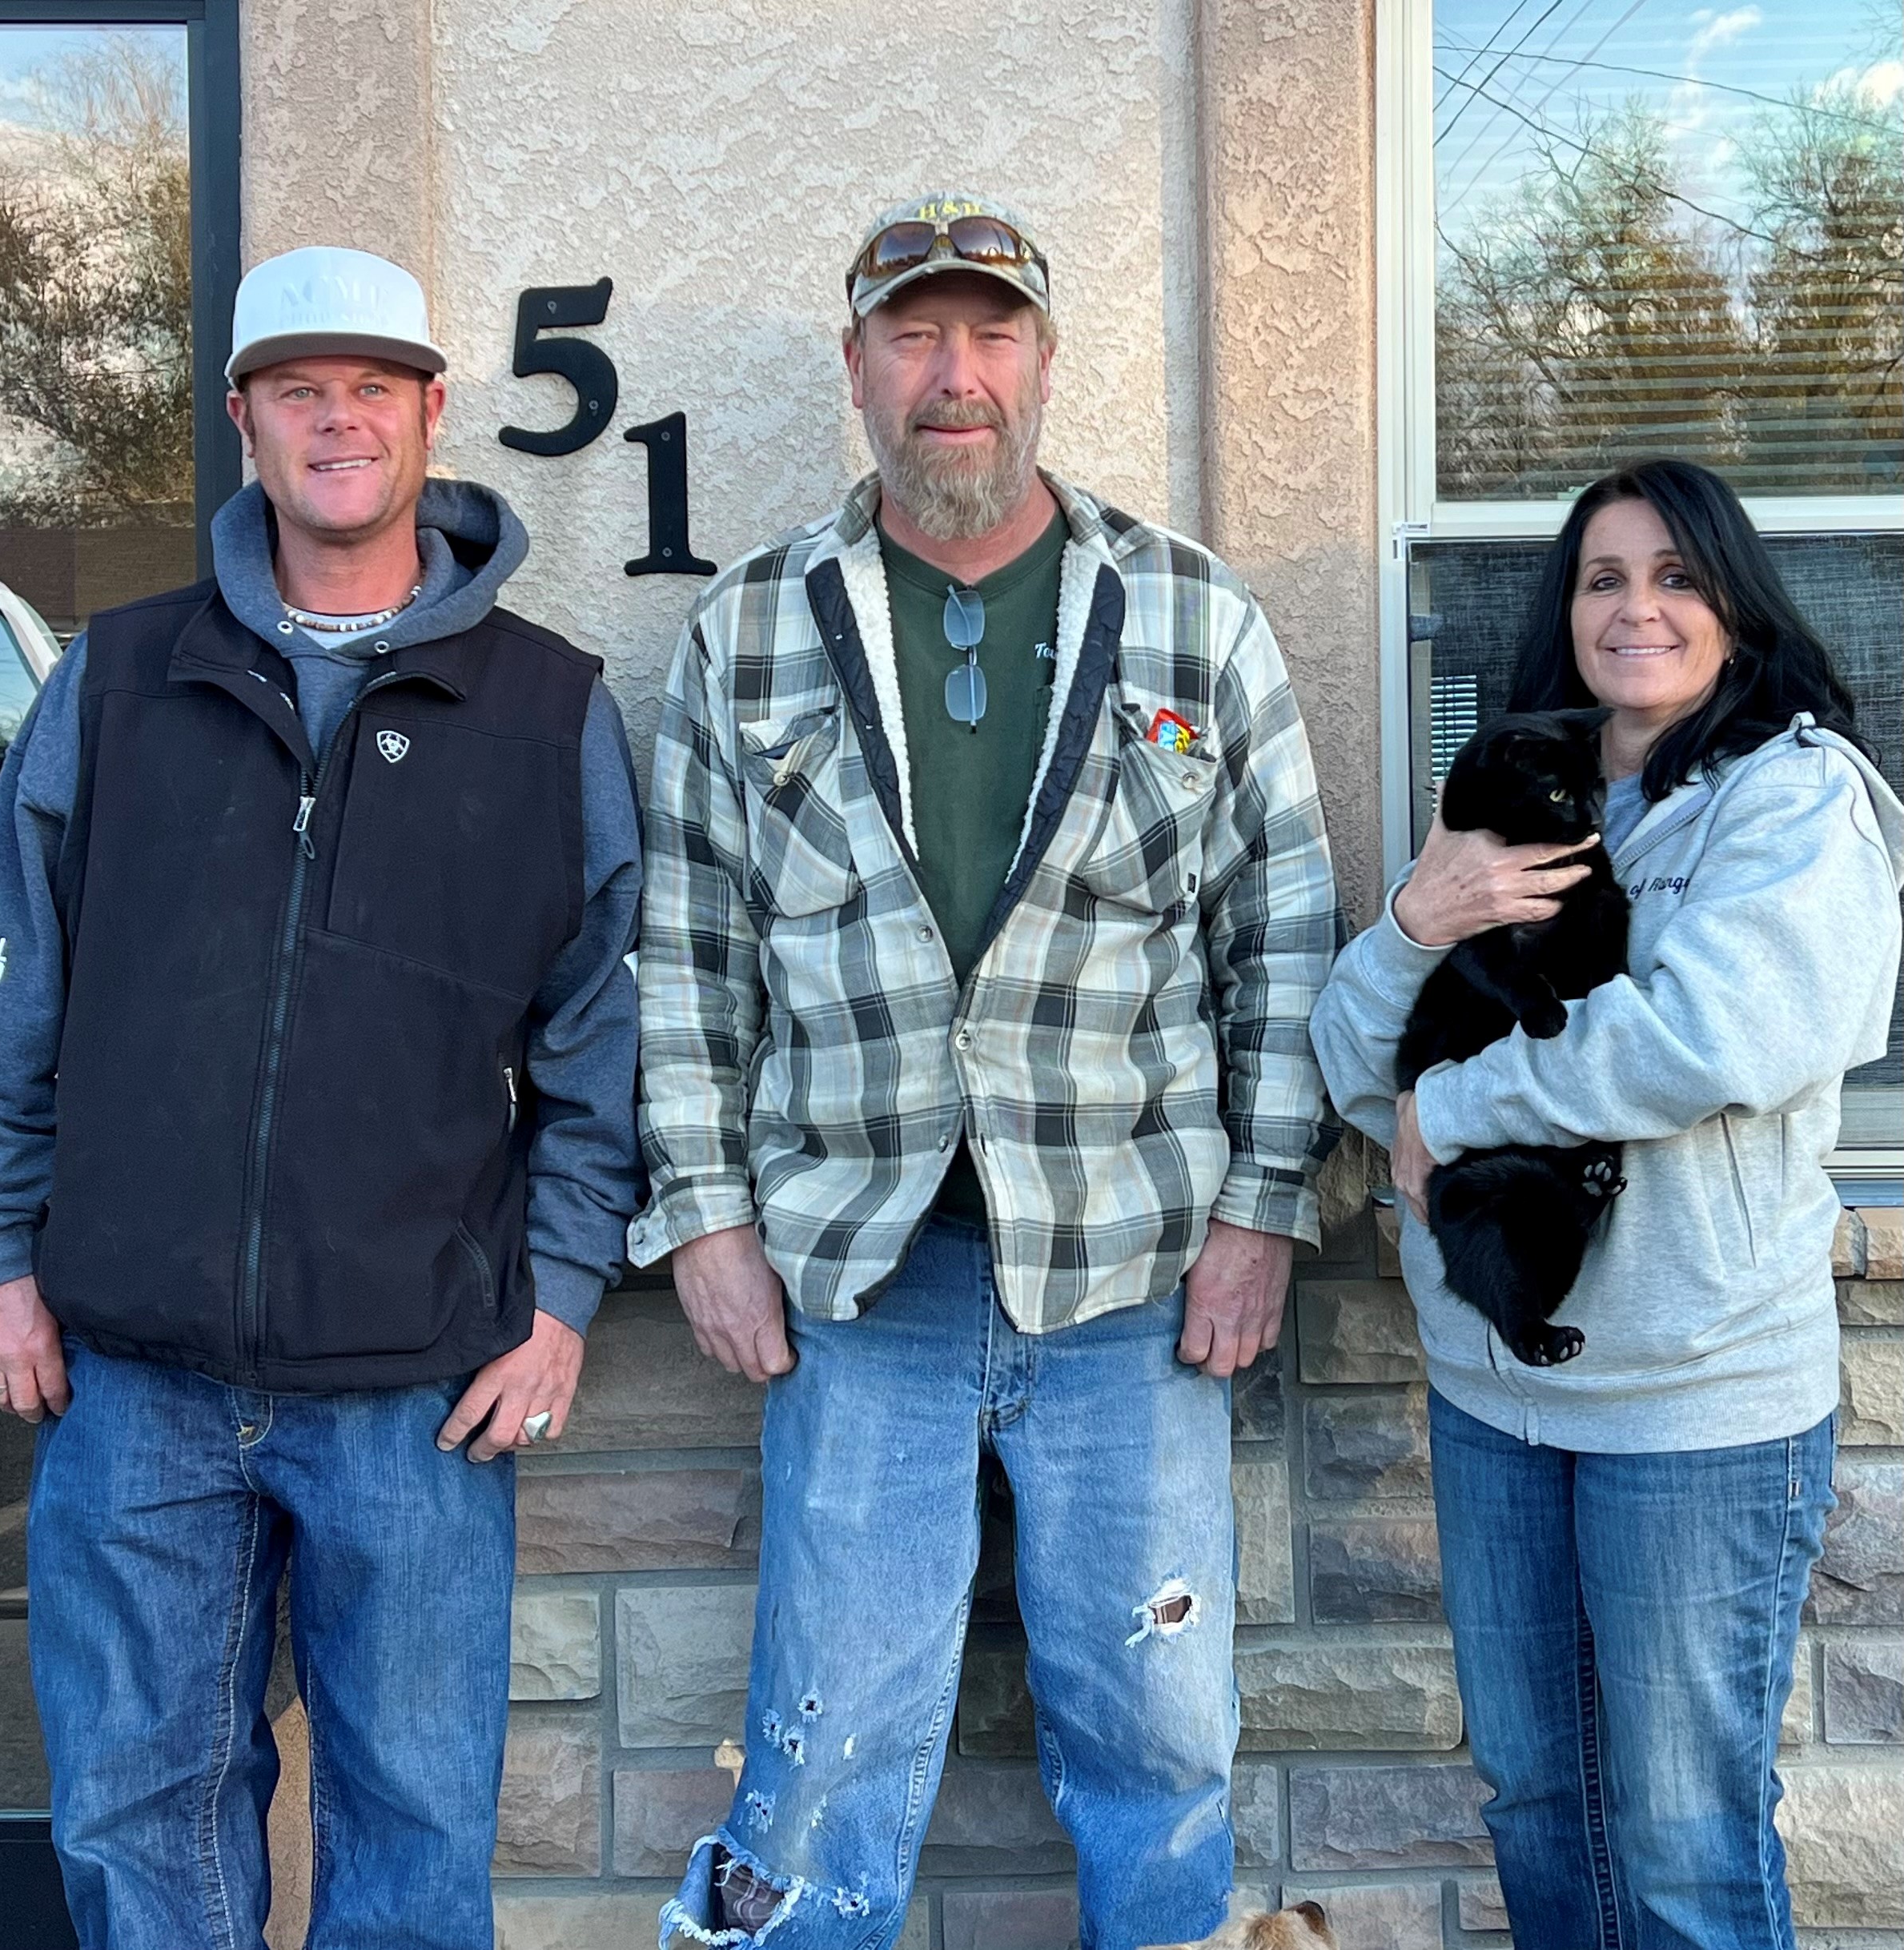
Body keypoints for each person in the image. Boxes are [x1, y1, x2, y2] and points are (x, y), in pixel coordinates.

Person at [630, 192, 1341, 1950]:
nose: (955, 375)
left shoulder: (1188, 616)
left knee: (1159, 1731)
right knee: (819, 1749)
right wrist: (704, 1221)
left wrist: (1262, 1213)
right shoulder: (752, 630)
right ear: (856, 367)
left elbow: (1286, 940)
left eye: (990, 334)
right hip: (861, 1285)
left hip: (1132, 1275)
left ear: (1042, 360)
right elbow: (687, 951)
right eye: (913, 336)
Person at [0, 246, 645, 1949]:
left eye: (373, 387)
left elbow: (601, 1035)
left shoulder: (548, 712)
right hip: (132, 1380)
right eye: (298, 390)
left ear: (432, 415)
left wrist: (557, 1296)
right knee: (137, 1815)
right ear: (243, 421)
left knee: (411, 1828)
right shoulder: (114, 680)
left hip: (416, 1391)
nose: (338, 420)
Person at [1310, 457, 1902, 1950]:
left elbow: (1710, 1036)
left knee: (1684, 1840)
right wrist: (1409, 924)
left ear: (1736, 603)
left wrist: (1455, 1106)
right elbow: (1347, 1063)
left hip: (1696, 1411)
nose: (1637, 608)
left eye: (1675, 576)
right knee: (1535, 1803)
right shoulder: (1526, 802)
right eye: (1602, 580)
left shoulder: (1794, 801)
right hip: (1496, 1392)